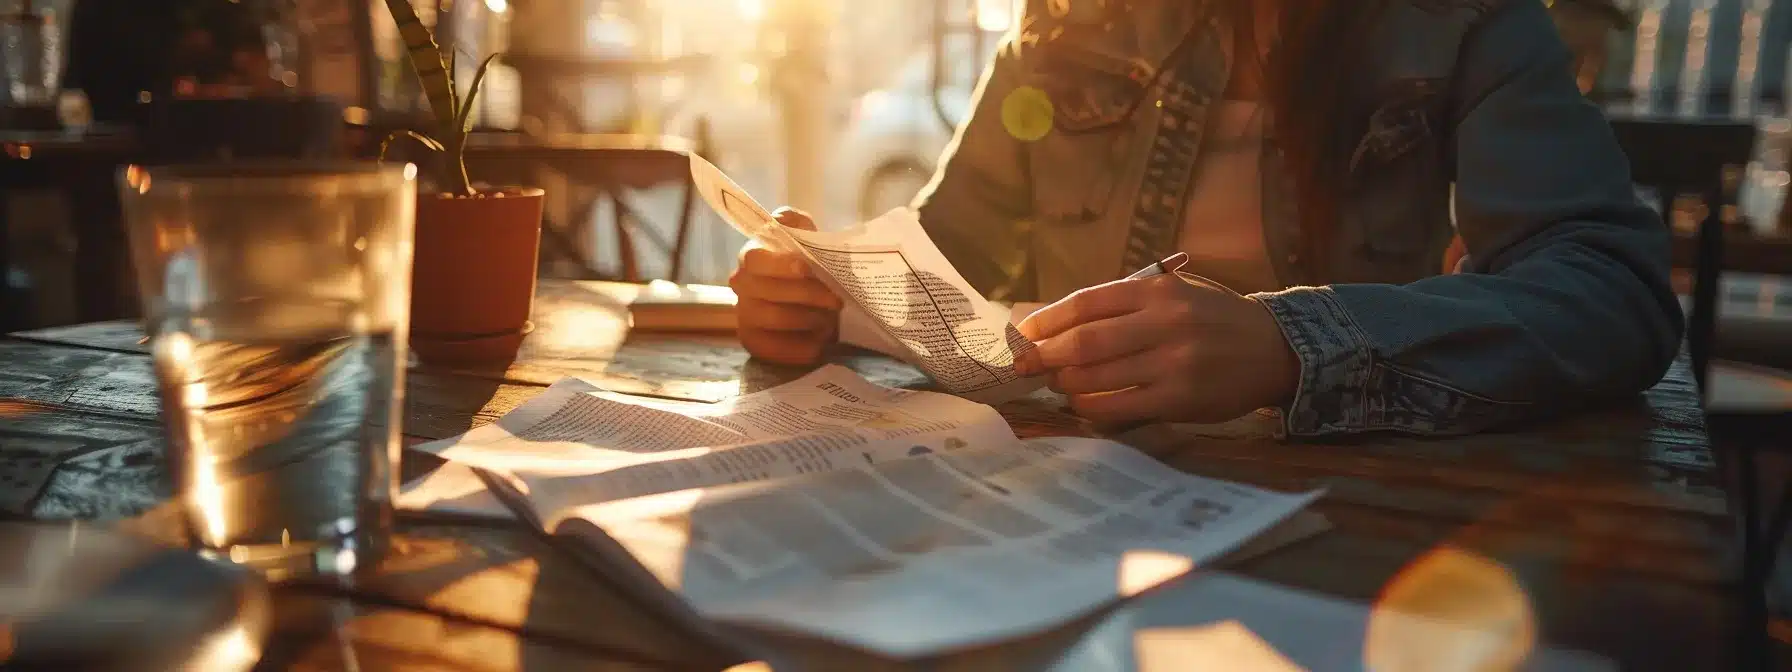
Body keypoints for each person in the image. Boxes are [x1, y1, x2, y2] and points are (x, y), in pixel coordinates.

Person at [728, 0, 1683, 437]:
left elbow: (1615, 293)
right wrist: (829, 293)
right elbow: (950, 256)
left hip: (1366, 510)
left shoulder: (1462, 22)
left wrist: (1289, 348)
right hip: (1077, 496)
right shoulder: (1068, 22)